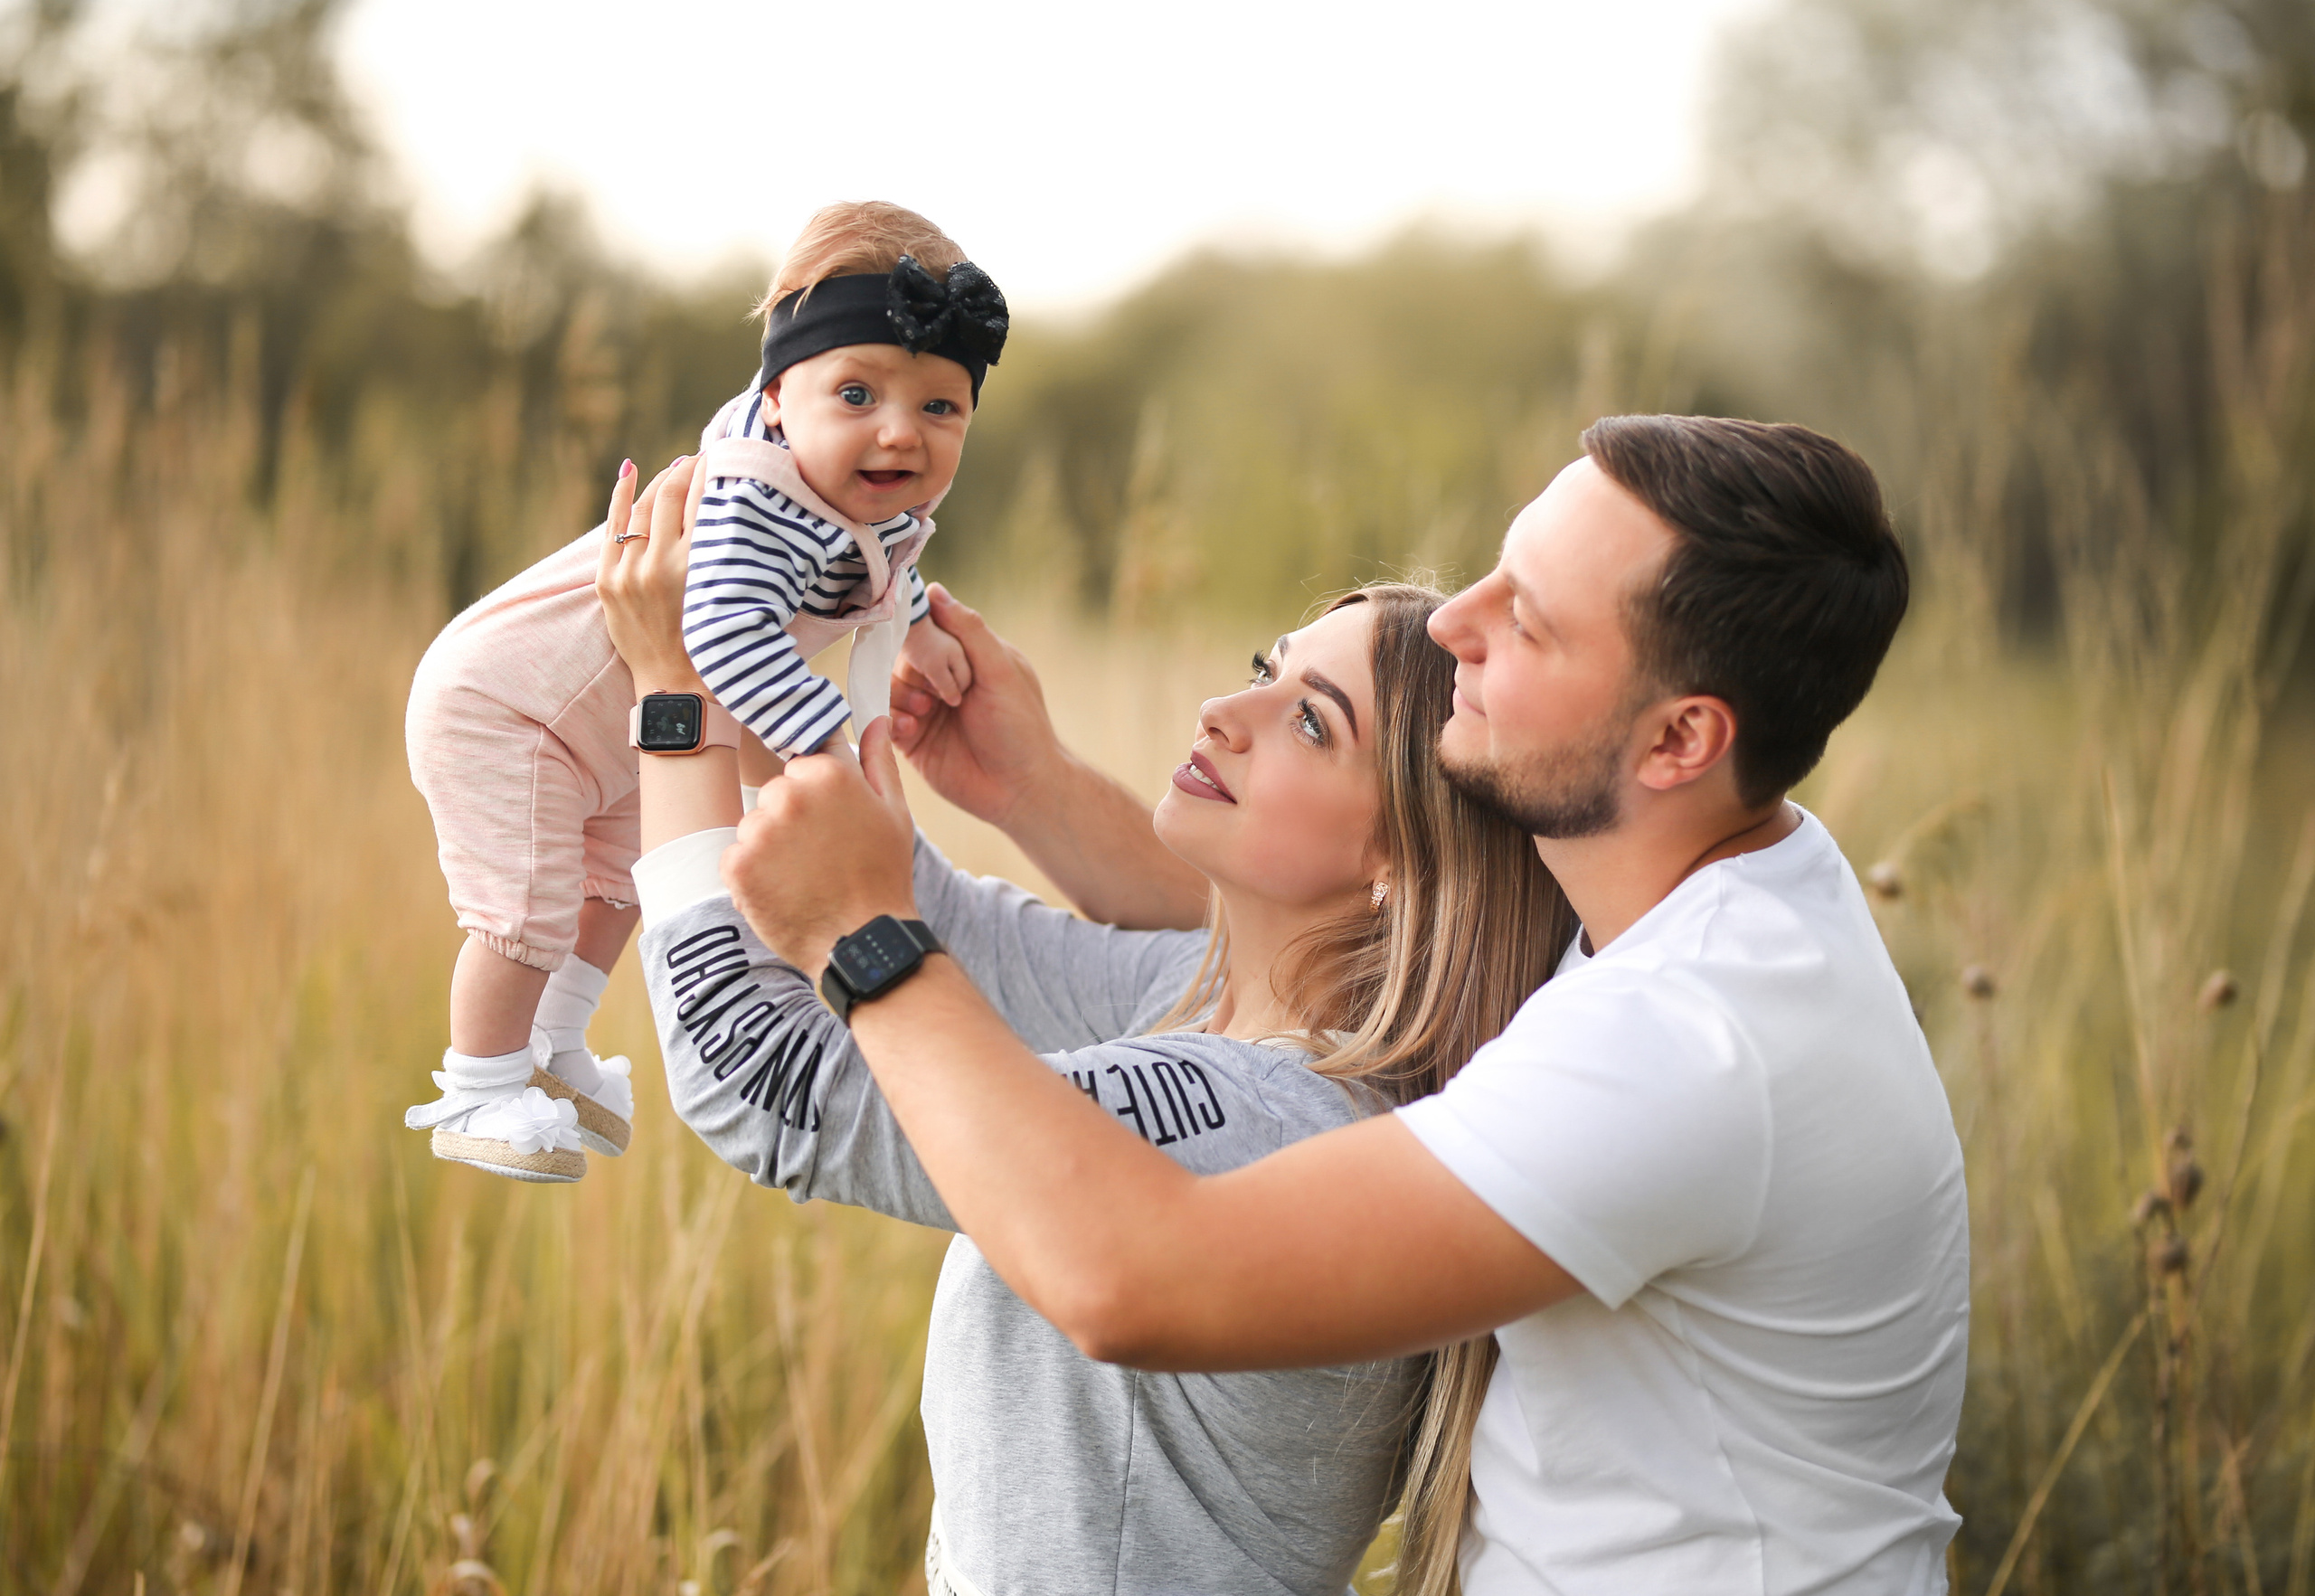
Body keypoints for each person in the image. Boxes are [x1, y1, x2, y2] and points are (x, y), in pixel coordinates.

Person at [728, 416, 1972, 1594]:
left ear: (1679, 739)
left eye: (1526, 623)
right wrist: (1037, 788)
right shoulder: (1713, 884)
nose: (1458, 628)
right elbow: (1354, 923)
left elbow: (1131, 1278)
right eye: (1497, 573)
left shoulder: (1686, 1044)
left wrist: (864, 938)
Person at [596, 455, 1576, 1596]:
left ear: (1397, 862)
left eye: (1309, 722)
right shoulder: (1201, 1003)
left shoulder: (1262, 1119)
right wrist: (763, 665)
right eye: (1267, 669)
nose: (1227, 709)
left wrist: (670, 707)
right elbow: (935, 919)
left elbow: (763, 1083)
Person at [400, 202, 997, 1181]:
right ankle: (479, 1082)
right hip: (506, 711)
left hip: (605, 730)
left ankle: (553, 1045)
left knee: (616, 886)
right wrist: (827, 751)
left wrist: (920, 624)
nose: (900, 433)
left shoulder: (855, 488)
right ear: (775, 396)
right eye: (857, 394)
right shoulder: (754, 500)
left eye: (940, 407)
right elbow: (720, 634)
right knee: (529, 908)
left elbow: (884, 552)